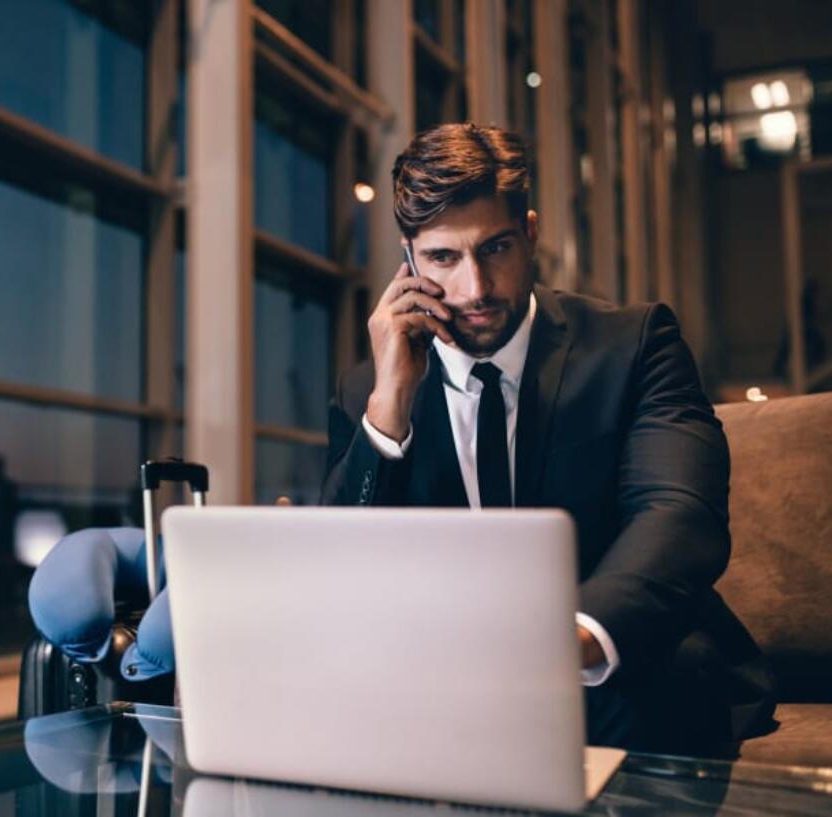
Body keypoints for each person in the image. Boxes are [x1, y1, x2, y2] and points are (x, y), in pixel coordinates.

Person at [320, 123, 775, 754]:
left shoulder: (634, 345)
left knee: (652, 684)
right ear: (411, 261)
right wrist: (389, 409)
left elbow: (678, 515)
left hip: (612, 659)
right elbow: (342, 569)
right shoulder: (367, 391)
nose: (474, 288)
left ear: (530, 233)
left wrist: (572, 641)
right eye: (445, 259)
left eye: (496, 249)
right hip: (446, 680)